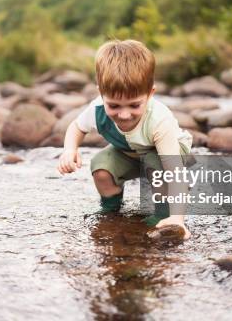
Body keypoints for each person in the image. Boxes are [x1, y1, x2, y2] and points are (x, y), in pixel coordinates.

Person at [57, 39, 193, 238]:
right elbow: (77, 127)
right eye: (114, 106)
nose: (124, 115)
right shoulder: (97, 109)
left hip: (166, 153)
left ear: (150, 94)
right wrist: (70, 149)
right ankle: (111, 210)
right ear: (101, 94)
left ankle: (164, 214)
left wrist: (178, 219)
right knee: (101, 167)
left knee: (157, 166)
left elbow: (174, 172)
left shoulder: (158, 121)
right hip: (128, 151)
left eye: (134, 105)